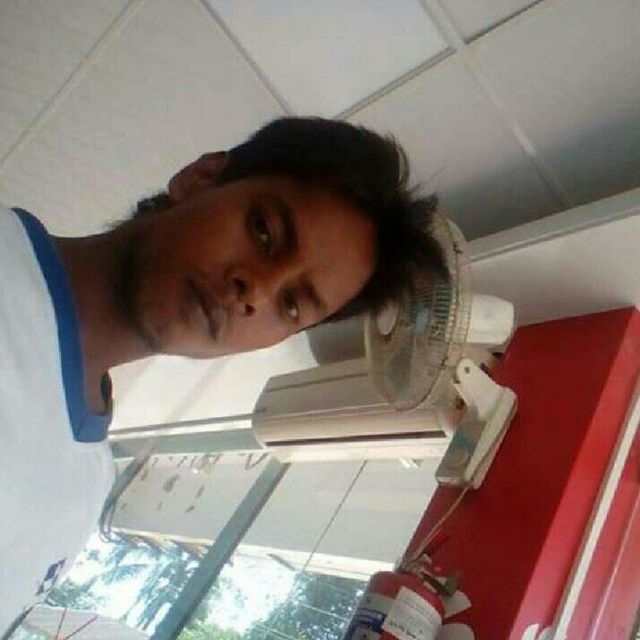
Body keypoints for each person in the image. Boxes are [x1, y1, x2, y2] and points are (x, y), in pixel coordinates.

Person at [0, 117, 445, 633]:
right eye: (264, 232)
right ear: (201, 179)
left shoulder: (89, 484)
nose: (255, 291)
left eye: (291, 304)